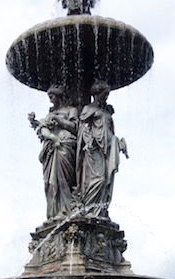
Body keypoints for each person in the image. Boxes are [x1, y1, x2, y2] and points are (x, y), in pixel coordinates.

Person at [28, 85, 79, 219]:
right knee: (50, 181)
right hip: (51, 149)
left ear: (60, 96)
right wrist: (35, 123)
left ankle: (67, 209)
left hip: (65, 145)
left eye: (52, 96)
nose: (50, 100)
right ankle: (54, 212)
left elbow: (74, 127)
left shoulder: (71, 110)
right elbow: (43, 128)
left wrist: (58, 120)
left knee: (64, 178)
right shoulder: (49, 114)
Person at [77, 80, 127, 218]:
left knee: (106, 180)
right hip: (94, 147)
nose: (106, 97)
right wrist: (88, 140)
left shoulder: (107, 111)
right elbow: (82, 127)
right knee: (98, 178)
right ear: (96, 94)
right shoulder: (89, 109)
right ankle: (90, 210)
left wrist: (119, 143)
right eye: (104, 94)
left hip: (109, 149)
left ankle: (101, 211)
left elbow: (112, 132)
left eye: (107, 95)